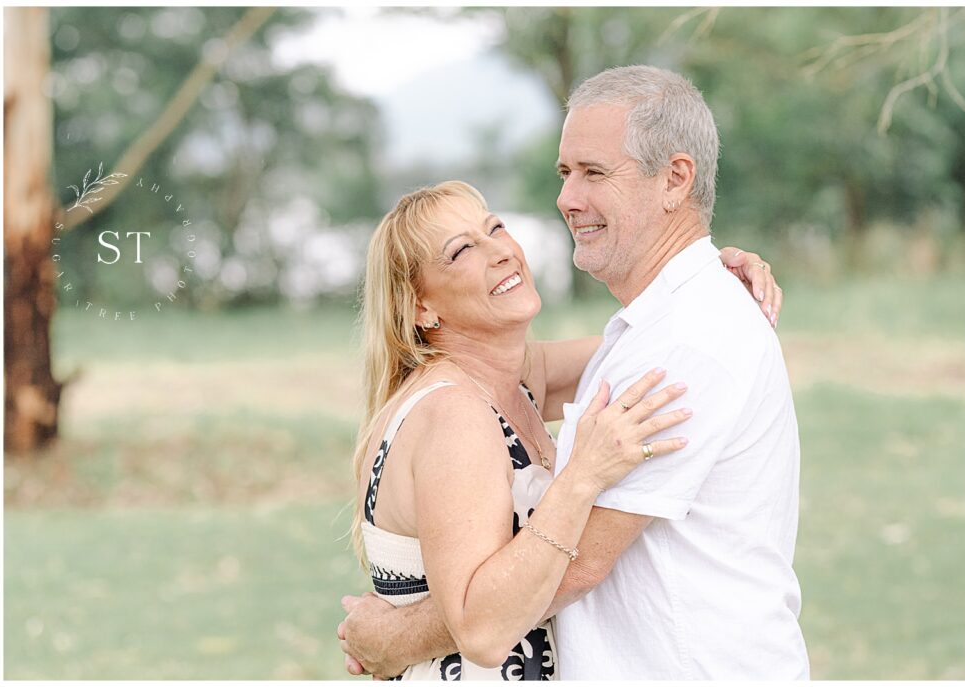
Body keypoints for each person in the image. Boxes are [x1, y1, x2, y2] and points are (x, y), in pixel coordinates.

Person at [339, 65, 808, 680]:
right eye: (565, 173)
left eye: (592, 172)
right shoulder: (652, 333)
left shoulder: (686, 333)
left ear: (675, 179)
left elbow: (573, 567)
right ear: (419, 305)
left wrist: (399, 636)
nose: (565, 198)